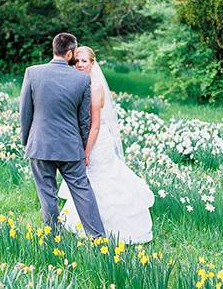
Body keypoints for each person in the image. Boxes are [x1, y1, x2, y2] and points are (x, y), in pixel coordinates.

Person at [58, 46, 155, 244]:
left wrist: (85, 152)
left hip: (96, 142)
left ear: (92, 63)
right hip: (84, 139)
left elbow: (94, 126)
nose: (80, 64)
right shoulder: (79, 83)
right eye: (77, 61)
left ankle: (113, 229)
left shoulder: (95, 86)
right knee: (86, 181)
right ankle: (85, 225)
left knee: (100, 179)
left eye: (84, 61)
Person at [19, 33, 105, 239]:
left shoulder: (32, 73)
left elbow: (25, 112)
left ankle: (54, 237)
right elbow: (84, 121)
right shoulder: (82, 80)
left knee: (47, 194)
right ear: (69, 53)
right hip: (70, 147)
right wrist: (84, 149)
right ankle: (98, 237)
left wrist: (27, 141)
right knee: (82, 191)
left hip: (40, 145)